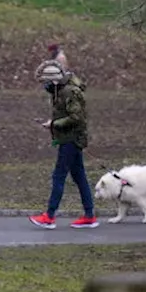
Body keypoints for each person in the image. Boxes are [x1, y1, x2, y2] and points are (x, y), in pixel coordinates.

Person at [29, 45, 98, 230]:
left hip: (71, 140)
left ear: (54, 81)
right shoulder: (60, 91)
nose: (45, 86)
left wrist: (54, 124)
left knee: (59, 176)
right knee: (79, 176)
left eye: (46, 82)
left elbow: (77, 117)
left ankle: (49, 216)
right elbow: (67, 115)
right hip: (69, 138)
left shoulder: (69, 92)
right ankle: (89, 215)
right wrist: (54, 122)